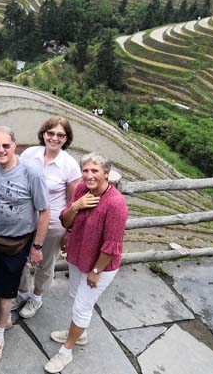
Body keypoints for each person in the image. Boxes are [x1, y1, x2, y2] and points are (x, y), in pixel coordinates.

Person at [44, 153, 128, 373]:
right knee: (77, 297)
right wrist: (76, 206)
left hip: (100, 266)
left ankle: (66, 351)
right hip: (79, 256)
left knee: (82, 306)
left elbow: (112, 245)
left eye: (95, 171)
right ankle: (80, 334)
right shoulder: (82, 190)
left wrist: (96, 271)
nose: (89, 175)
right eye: (86, 171)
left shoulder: (116, 204)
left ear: (106, 174)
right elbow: (65, 220)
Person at [0, 126, 50, 366]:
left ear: (15, 145)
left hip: (18, 242)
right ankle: (3, 320)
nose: (0, 150)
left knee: (6, 290)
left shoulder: (32, 172)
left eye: (5, 145)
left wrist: (37, 246)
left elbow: (44, 211)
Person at [13, 117, 81, 319]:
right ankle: (23, 292)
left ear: (66, 139)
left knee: (45, 262)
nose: (54, 138)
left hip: (52, 223)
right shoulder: (29, 154)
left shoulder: (69, 165)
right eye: (51, 133)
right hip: (25, 219)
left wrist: (69, 231)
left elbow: (72, 202)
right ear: (43, 134)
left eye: (60, 135)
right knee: (20, 258)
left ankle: (36, 297)